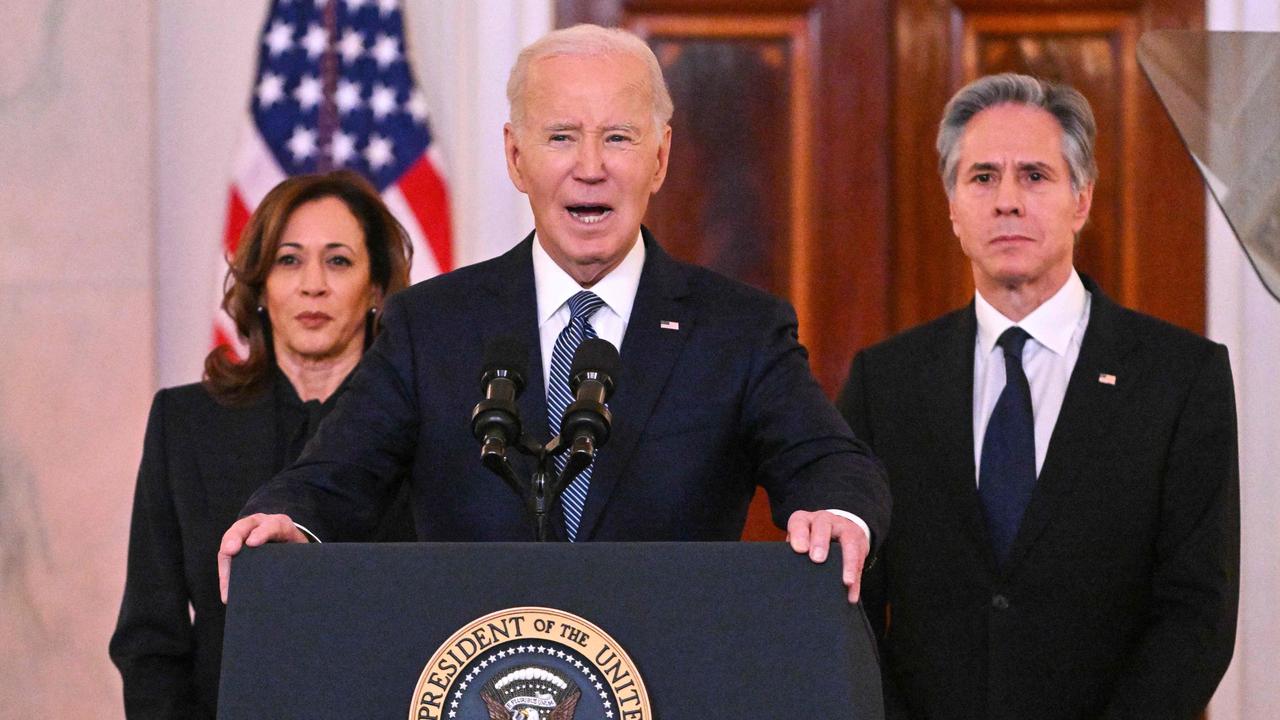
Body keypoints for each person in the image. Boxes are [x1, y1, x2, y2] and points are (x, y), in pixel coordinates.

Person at [217, 24, 890, 605]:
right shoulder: (431, 327)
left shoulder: (738, 330)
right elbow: (334, 476)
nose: (590, 167)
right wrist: (288, 519)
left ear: (660, 158)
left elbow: (830, 463)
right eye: (562, 136)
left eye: (619, 138)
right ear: (516, 156)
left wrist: (836, 513)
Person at [838, 73, 1239, 719]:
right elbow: (846, 605)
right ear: (952, 204)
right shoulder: (886, 383)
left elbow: (1198, 612)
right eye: (982, 177)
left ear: (1081, 198)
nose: (1007, 201)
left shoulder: (1180, 379)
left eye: (1034, 176)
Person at [109, 171, 417, 719]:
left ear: (375, 291)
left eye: (339, 261)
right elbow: (150, 637)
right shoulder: (184, 423)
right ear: (260, 286)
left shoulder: (421, 427)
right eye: (289, 260)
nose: (312, 284)